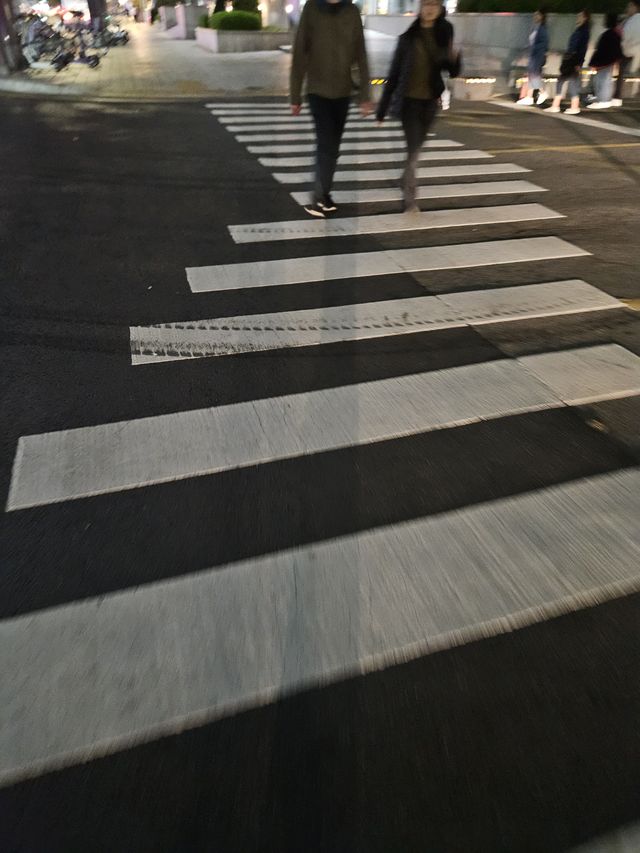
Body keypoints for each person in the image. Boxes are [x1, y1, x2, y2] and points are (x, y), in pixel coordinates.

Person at [375, 0, 461, 213]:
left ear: (440, 8)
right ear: (420, 7)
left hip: (430, 102)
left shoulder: (444, 32)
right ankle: (410, 199)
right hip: (409, 103)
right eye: (426, 4)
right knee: (413, 151)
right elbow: (394, 74)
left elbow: (451, 71)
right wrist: (382, 108)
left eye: (434, 4)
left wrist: (456, 59)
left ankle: (405, 177)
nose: (430, 8)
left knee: (416, 149)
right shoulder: (408, 38)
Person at [290, 0, 372, 219]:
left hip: (343, 91)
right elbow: (300, 51)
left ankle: (324, 194)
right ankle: (318, 197)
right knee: (326, 145)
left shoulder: (351, 11)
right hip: (317, 90)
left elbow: (361, 53)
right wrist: (295, 95)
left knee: (333, 148)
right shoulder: (312, 8)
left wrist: (365, 95)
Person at [546, 10, 591, 115]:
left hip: (574, 59)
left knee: (571, 83)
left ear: (585, 18)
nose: (578, 17)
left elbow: (582, 48)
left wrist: (579, 62)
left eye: (580, 16)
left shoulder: (583, 31)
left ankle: (569, 106)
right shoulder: (580, 30)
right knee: (564, 81)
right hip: (572, 59)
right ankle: (558, 105)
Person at [588, 12, 622, 108]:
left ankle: (603, 100)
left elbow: (601, 50)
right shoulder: (615, 33)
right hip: (608, 61)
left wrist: (594, 62)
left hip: (603, 62)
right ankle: (603, 99)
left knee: (602, 81)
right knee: (604, 80)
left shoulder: (608, 34)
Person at [517, 10, 549, 106]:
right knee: (532, 75)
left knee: (534, 75)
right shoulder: (536, 28)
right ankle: (529, 97)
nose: (534, 17)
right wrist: (527, 47)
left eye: (537, 15)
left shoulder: (542, 29)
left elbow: (544, 43)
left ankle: (542, 92)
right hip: (534, 55)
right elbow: (533, 42)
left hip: (537, 56)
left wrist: (533, 48)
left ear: (541, 17)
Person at [613, 0, 640, 104]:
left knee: (621, 73)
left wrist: (623, 46)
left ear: (634, 7)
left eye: (629, 6)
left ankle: (617, 97)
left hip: (628, 50)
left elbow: (625, 36)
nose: (627, 9)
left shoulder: (632, 21)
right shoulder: (630, 20)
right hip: (635, 50)